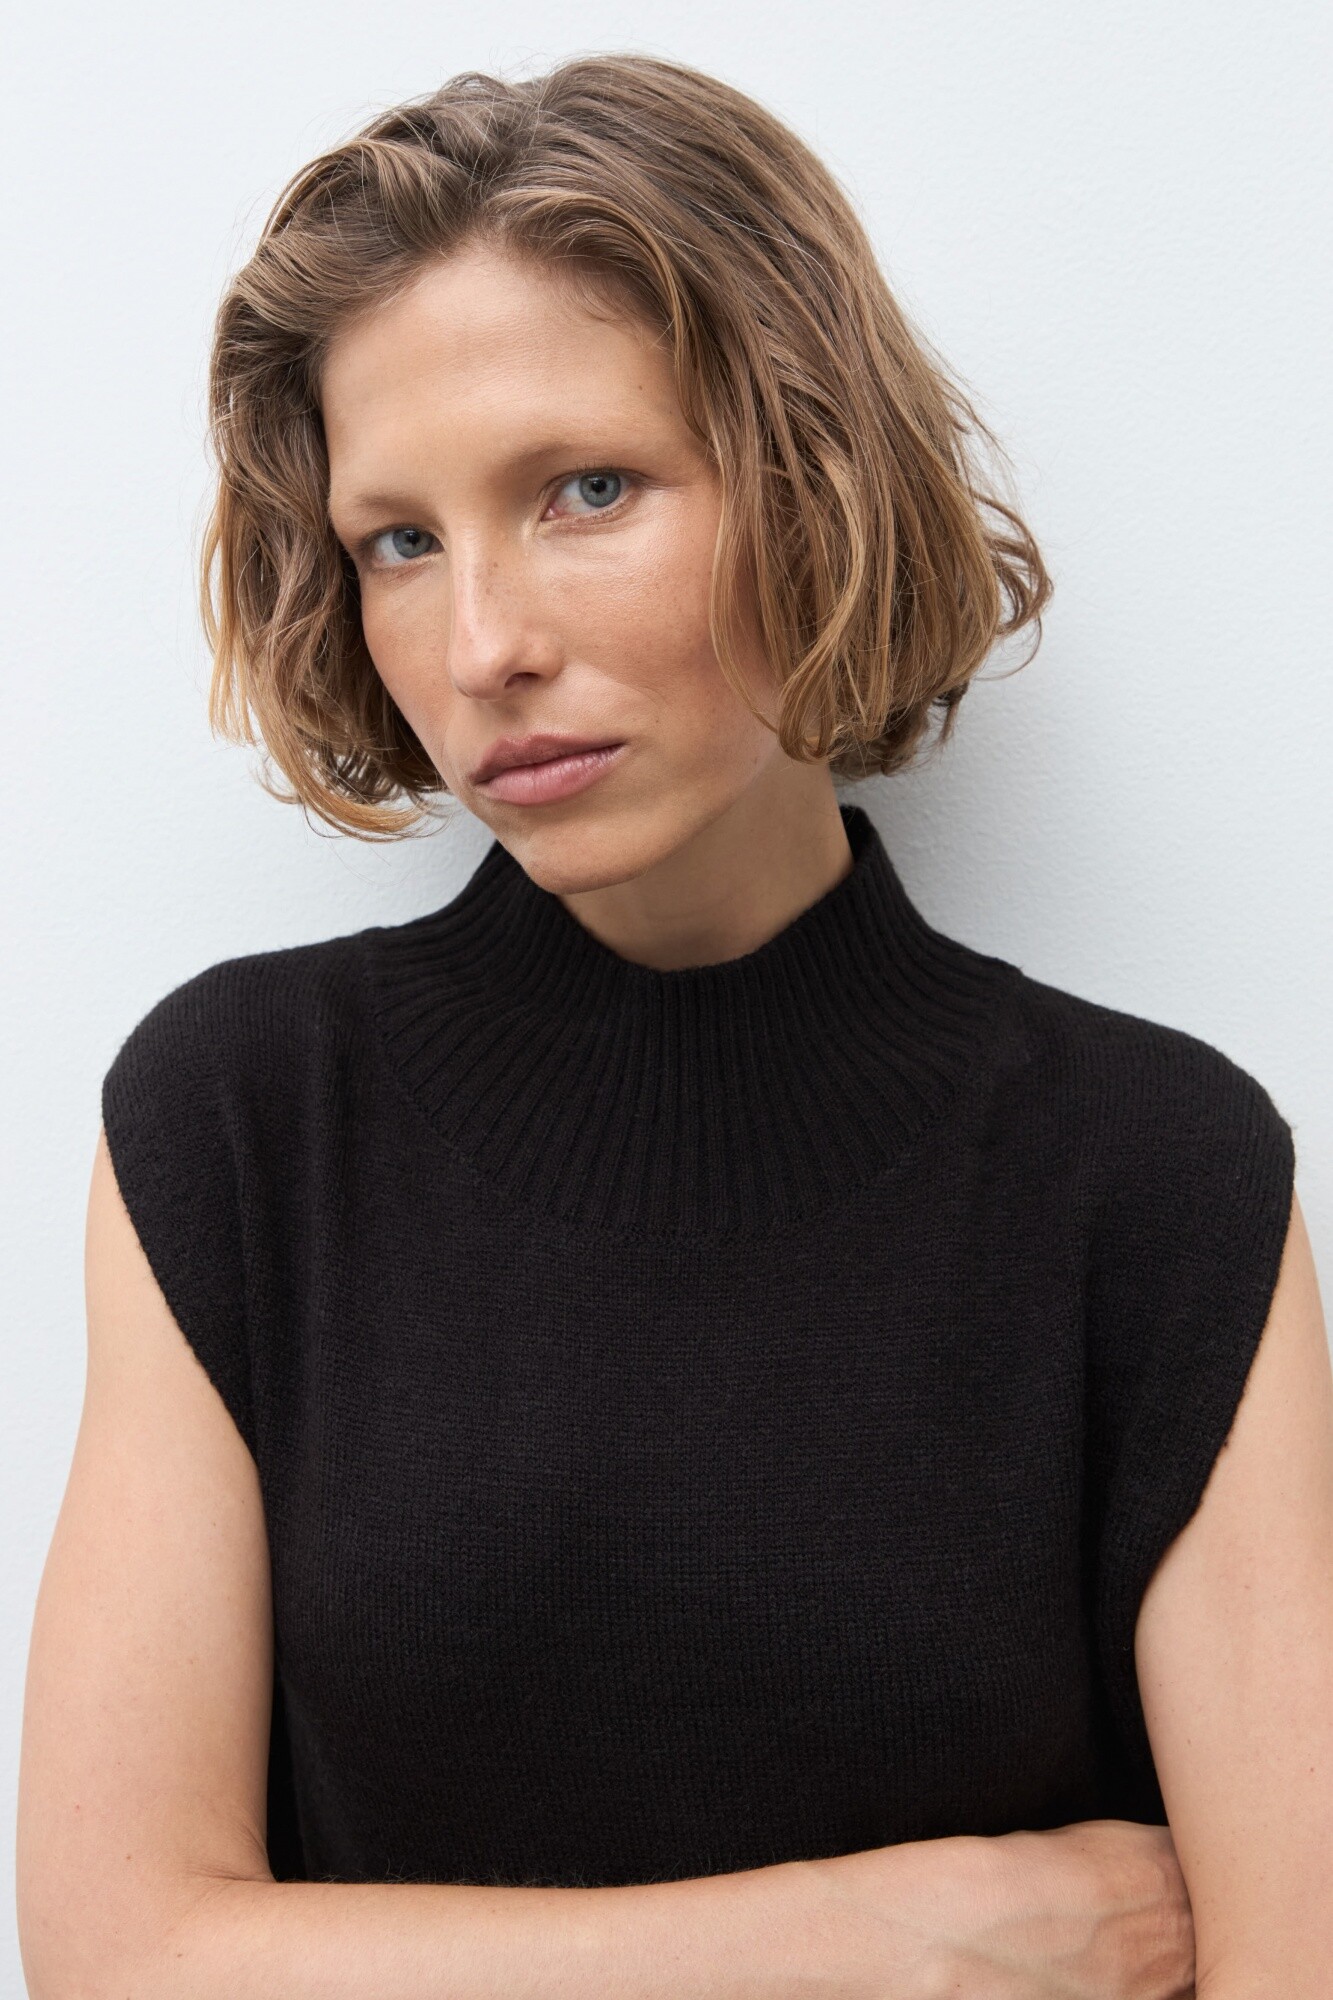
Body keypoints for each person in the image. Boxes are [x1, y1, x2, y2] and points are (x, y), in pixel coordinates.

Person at [17, 50, 1332, 2000]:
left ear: (812, 477)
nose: (485, 644)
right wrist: (868, 1942)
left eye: (587, 490)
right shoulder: (242, 1119)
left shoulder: (1151, 1172)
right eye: (400, 541)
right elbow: (121, 1956)